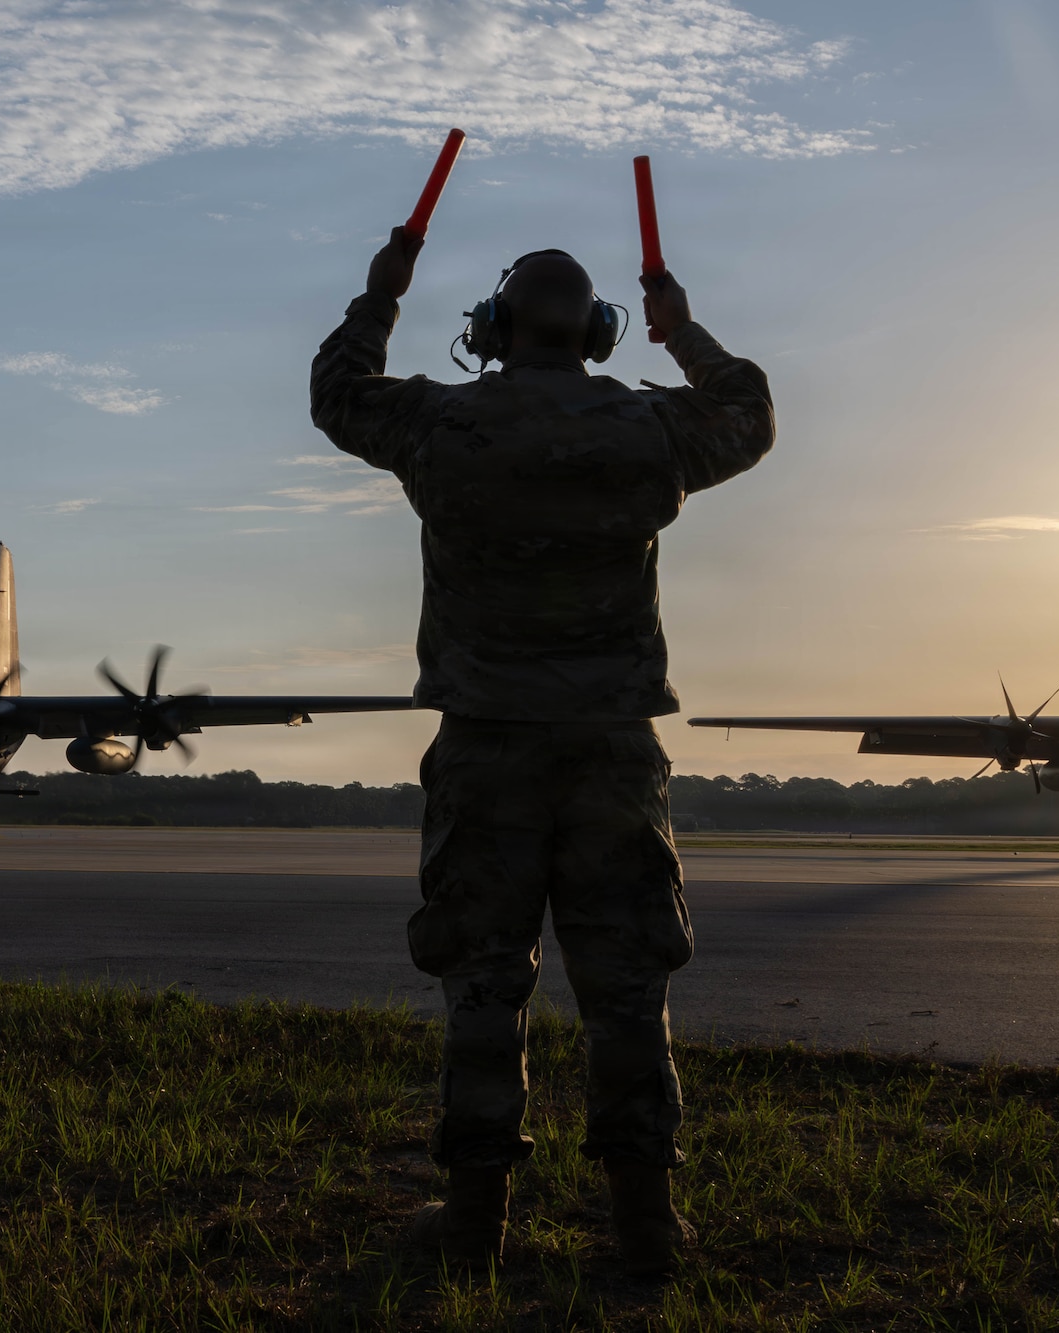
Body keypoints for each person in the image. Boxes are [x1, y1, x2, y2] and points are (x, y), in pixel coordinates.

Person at [309, 228, 774, 1275]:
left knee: (481, 984)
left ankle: (473, 1227)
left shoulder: (440, 421)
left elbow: (338, 392)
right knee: (625, 991)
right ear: (600, 333)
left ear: (491, 330)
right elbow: (747, 412)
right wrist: (680, 328)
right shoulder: (649, 426)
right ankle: (647, 1228)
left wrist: (381, 292)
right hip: (612, 753)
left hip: (486, 749)